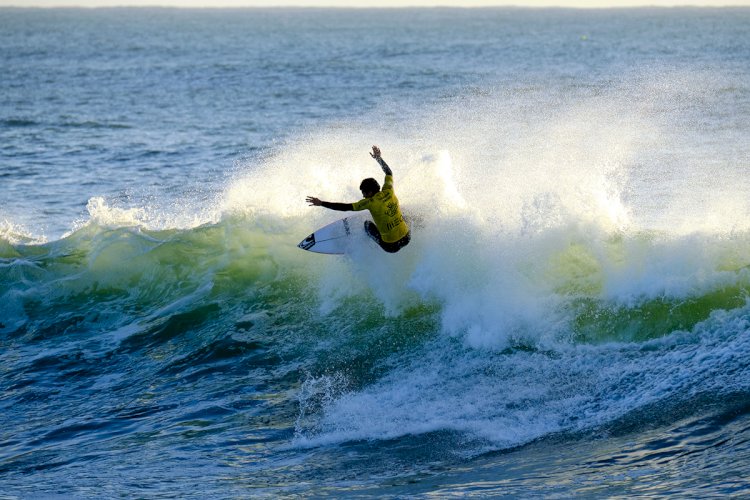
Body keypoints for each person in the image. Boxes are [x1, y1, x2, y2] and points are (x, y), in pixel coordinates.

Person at [306, 145, 410, 253]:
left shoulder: (369, 202)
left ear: (369, 192)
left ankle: (371, 243)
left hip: (391, 246)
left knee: (367, 225)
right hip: (407, 238)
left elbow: (345, 207)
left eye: (364, 193)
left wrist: (321, 203)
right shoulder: (389, 190)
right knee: (405, 215)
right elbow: (389, 173)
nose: (363, 196)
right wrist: (379, 159)